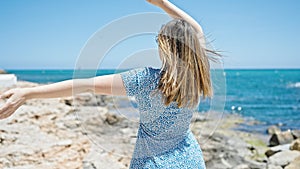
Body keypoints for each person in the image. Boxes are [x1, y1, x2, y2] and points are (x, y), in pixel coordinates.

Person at [0, 0, 220, 168]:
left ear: (165, 47)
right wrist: (162, 3)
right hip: (190, 159)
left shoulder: (146, 80)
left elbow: (84, 85)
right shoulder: (198, 75)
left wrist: (27, 94)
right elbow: (196, 31)